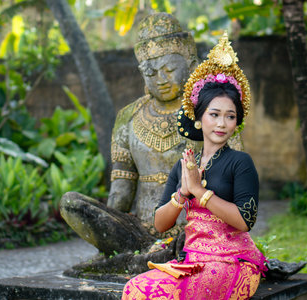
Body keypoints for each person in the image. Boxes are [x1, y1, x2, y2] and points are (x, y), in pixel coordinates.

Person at [121, 32, 267, 300]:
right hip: (194, 259)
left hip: (233, 262)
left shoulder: (240, 162)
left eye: (230, 116)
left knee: (194, 291)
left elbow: (246, 222)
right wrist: (182, 194)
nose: (222, 124)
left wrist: (200, 192)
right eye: (214, 114)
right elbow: (160, 224)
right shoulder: (185, 166)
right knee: (135, 289)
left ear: (237, 122)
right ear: (199, 118)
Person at [60, 12, 202, 256]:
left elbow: (229, 180)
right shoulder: (128, 117)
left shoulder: (211, 113)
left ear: (191, 65)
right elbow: (122, 190)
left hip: (195, 230)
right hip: (141, 233)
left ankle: (172, 253)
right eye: (151, 73)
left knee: (189, 244)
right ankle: (136, 254)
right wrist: (112, 227)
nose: (161, 80)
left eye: (169, 69)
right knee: (72, 203)